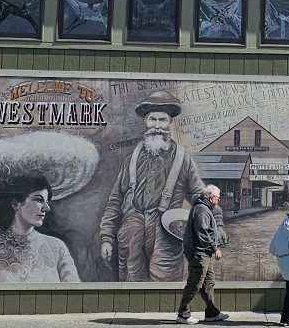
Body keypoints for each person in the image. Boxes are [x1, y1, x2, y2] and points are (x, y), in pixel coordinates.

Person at [84, 92, 207, 282]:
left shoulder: (183, 160)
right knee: (132, 283)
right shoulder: (130, 161)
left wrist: (216, 226)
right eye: (152, 119)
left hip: (166, 231)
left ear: (170, 123)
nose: (157, 125)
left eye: (162, 120)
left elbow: (201, 197)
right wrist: (107, 238)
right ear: (145, 122)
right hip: (131, 232)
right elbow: (115, 200)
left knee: (165, 282)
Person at [0, 175, 79, 283]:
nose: (47, 208)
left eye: (46, 201)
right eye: (39, 200)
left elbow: (73, 292)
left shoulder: (56, 248)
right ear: (15, 204)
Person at [175, 185, 228, 324]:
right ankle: (183, 314)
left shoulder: (204, 209)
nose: (219, 200)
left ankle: (212, 313)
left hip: (204, 253)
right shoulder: (202, 211)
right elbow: (202, 233)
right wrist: (215, 248)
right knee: (194, 284)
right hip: (199, 254)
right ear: (211, 198)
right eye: (218, 197)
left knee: (208, 283)